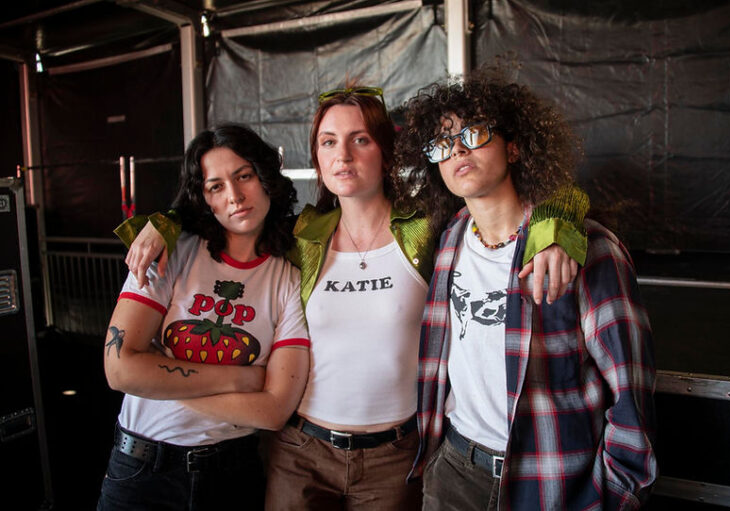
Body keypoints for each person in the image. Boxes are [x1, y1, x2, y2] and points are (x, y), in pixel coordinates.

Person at [118, 85, 588, 510]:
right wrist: (164, 223)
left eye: (359, 139)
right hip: (301, 451)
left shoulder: (427, 227)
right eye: (328, 142)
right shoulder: (304, 234)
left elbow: (522, 198)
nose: (342, 155)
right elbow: (229, 215)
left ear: (386, 151)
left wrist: (556, 224)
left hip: (395, 456)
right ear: (317, 158)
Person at [397, 68, 657, 510]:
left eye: (474, 132)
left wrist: (613, 495)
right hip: (455, 471)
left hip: (552, 481)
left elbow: (632, 395)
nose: (457, 148)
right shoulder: (447, 239)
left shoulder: (587, 249)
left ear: (514, 147)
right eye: (442, 142)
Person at [99, 125, 310, 511]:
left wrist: (157, 378)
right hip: (144, 471)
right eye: (216, 186)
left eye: (244, 176)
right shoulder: (171, 252)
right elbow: (120, 371)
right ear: (203, 197)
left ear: (266, 177)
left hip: (233, 473)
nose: (234, 196)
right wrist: (242, 379)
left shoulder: (288, 278)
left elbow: (273, 410)